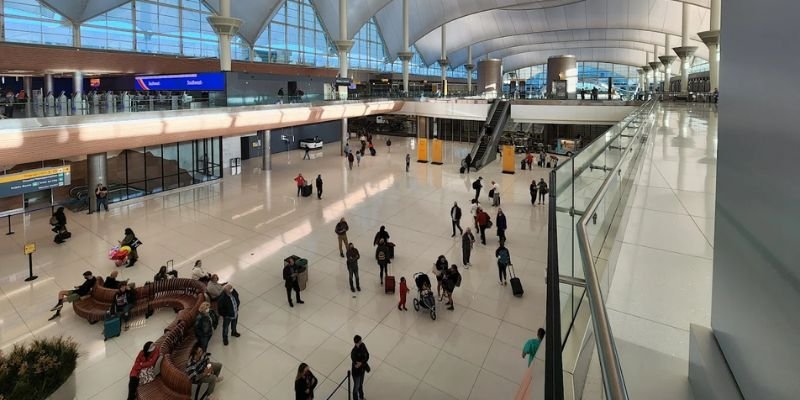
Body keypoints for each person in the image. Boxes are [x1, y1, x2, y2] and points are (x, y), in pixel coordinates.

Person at [350, 335, 370, 400]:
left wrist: (361, 362)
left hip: (362, 370)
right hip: (356, 373)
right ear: (356, 343)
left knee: (360, 384)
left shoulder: (363, 345)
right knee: (356, 386)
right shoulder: (353, 352)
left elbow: (367, 355)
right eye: (360, 341)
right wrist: (362, 362)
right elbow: (357, 364)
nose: (361, 342)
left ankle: (361, 397)